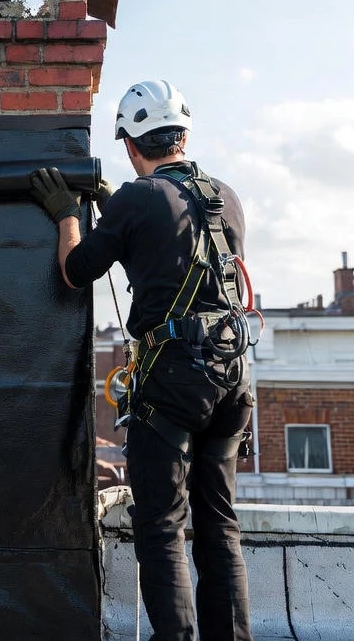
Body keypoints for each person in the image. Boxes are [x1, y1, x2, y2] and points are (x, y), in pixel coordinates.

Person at [30, 79, 253, 641]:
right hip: (232, 375)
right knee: (219, 525)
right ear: (183, 137)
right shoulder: (225, 196)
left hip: (174, 379)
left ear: (131, 145)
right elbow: (171, 252)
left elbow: (76, 270)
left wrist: (66, 214)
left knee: (161, 527)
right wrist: (118, 209)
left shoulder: (137, 197)